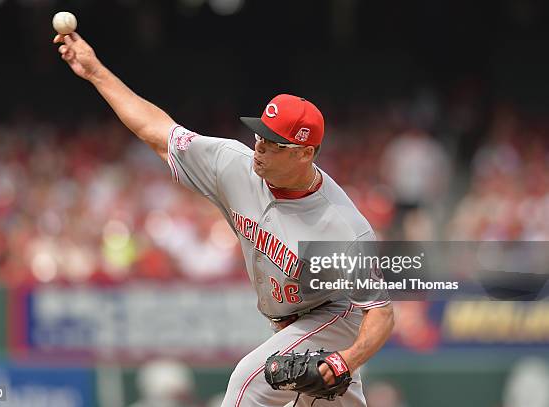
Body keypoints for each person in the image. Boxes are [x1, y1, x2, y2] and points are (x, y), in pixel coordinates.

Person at [54, 32, 394, 407]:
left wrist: (345, 360)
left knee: (247, 383)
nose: (259, 147)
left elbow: (380, 315)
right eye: (260, 135)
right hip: (291, 322)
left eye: (274, 143)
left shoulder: (342, 227)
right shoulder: (233, 164)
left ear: (305, 153)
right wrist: (96, 71)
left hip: (336, 314)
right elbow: (156, 132)